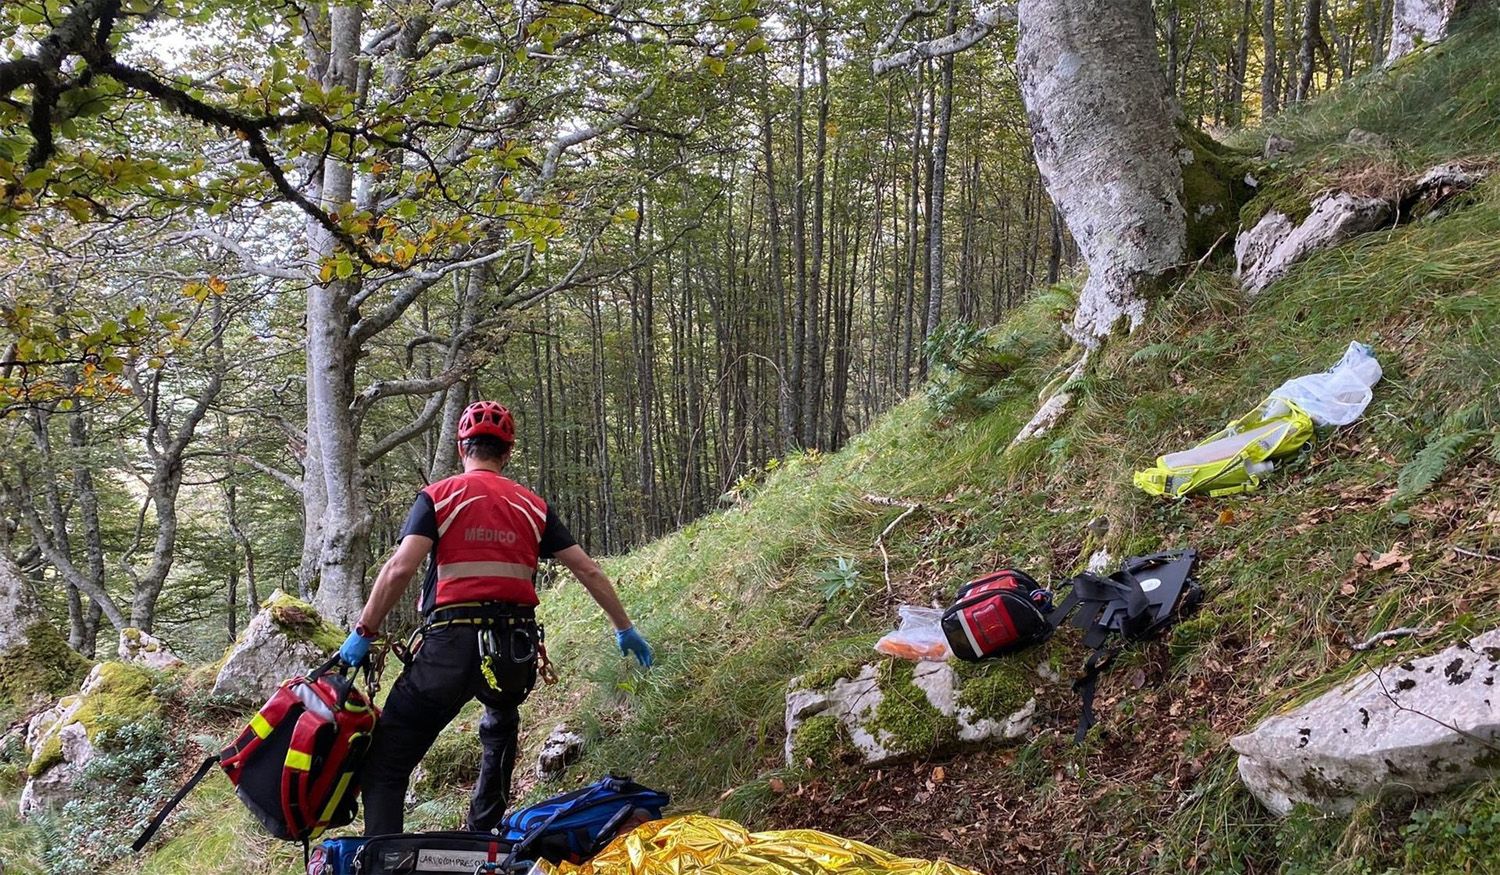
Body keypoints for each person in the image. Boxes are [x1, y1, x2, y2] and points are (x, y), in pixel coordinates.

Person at [338, 400, 653, 836]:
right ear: (507, 453)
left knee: (387, 765)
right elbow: (587, 569)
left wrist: (363, 632)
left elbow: (400, 568)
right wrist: (625, 627)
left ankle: (383, 858)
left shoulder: (438, 497)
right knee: (501, 720)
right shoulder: (533, 507)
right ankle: (484, 838)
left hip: (448, 649)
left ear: (461, 447)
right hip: (512, 652)